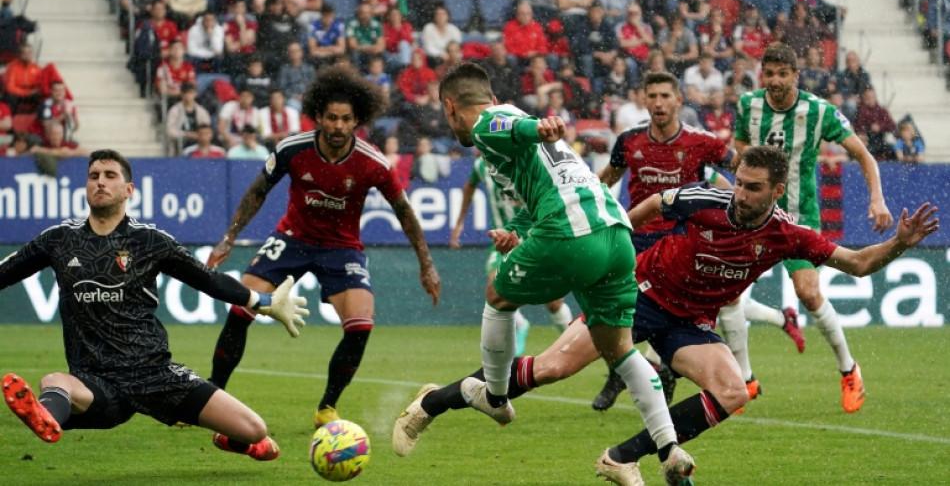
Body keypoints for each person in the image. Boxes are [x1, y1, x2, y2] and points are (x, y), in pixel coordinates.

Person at [393, 146, 939, 484]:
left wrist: (900, 242)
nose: (738, 195)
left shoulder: (786, 234)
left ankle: (621, 458)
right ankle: (432, 403)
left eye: (751, 189)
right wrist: (618, 238)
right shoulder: (705, 200)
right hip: (637, 293)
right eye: (738, 183)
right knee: (554, 369)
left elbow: (859, 264)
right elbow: (653, 207)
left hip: (689, 324)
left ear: (775, 191)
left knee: (733, 391)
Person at [432, 62, 694, 485]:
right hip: (615, 234)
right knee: (622, 351)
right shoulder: (513, 140)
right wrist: (515, 231)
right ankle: (669, 448)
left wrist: (538, 128)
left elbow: (509, 127)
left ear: (450, 106)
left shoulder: (488, 123)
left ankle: (495, 397)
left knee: (498, 295)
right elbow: (533, 196)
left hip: (572, 232)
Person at [0, 149, 308, 460]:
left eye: (110, 176)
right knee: (53, 382)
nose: (100, 183)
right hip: (96, 383)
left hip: (155, 375)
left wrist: (264, 301)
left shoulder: (150, 241)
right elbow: (5, 273)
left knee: (254, 428)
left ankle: (234, 440)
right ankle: (45, 416)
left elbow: (209, 280)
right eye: (93, 177)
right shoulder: (59, 239)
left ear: (129, 190)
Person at [204, 64, 441, 428]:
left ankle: (327, 407)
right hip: (291, 239)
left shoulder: (373, 162)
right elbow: (257, 192)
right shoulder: (292, 149)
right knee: (241, 308)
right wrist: (228, 238)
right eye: (331, 118)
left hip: (341, 248)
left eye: (347, 119)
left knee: (361, 324)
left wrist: (426, 264)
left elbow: (405, 212)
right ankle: (210, 396)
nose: (339, 126)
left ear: (357, 120)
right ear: (317, 116)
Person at [590, 71, 803, 413]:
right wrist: (594, 208)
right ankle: (629, 371)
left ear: (678, 100)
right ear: (644, 100)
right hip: (638, 236)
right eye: (652, 96)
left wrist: (767, 205)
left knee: (689, 309)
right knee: (618, 308)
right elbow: (606, 181)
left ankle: (680, 370)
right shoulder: (629, 141)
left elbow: (745, 169)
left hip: (682, 239)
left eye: (665, 96)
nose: (658, 103)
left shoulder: (701, 142)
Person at [732, 43, 895, 413]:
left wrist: (877, 198)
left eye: (782, 73)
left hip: (797, 217)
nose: (774, 80)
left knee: (807, 292)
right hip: (750, 215)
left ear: (795, 75)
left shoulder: (819, 111)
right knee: (728, 295)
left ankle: (849, 369)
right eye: (768, 73)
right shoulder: (747, 106)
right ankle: (744, 381)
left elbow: (863, 154)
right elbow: (739, 145)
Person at [449, 153, 574, 356]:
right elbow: (469, 186)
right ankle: (520, 325)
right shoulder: (481, 166)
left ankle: (571, 342)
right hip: (502, 239)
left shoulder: (524, 160)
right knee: (494, 289)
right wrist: (460, 222)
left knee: (554, 303)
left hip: (534, 236)